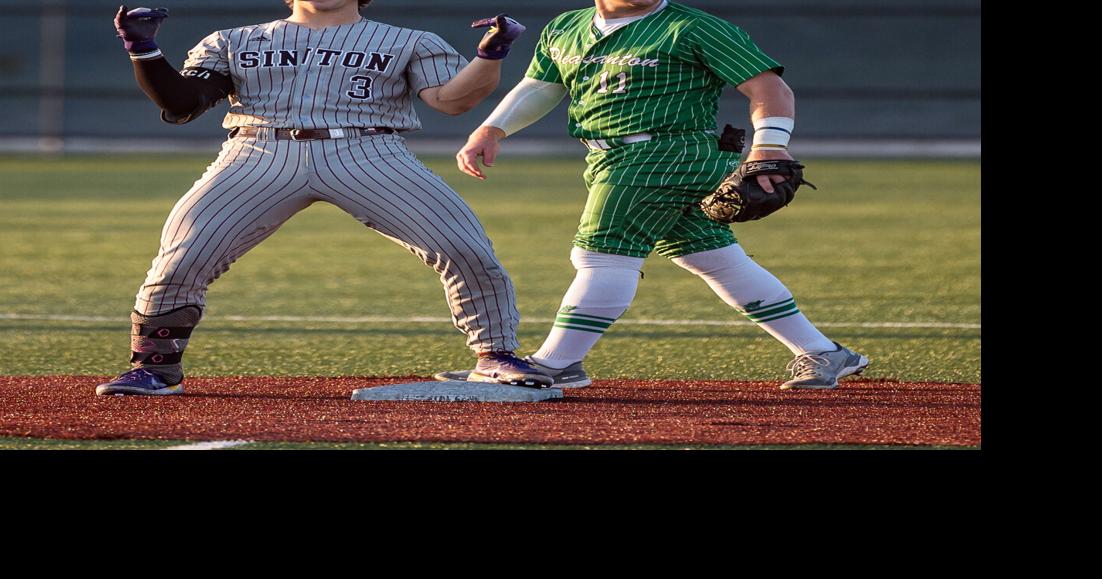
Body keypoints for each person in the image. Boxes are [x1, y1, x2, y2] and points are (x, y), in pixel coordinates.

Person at [96, 0, 554, 395]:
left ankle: (495, 355)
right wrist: (145, 51)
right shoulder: (234, 39)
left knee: (463, 247)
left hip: (368, 149)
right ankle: (154, 368)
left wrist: (490, 55)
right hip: (257, 150)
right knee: (182, 255)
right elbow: (183, 103)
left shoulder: (408, 40)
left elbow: (452, 101)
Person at [436, 0, 869, 390]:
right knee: (714, 259)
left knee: (602, 255)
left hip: (665, 151)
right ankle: (822, 351)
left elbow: (769, 88)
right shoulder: (566, 26)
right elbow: (542, 86)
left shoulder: (691, 26)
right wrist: (492, 128)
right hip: (613, 156)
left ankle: (555, 364)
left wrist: (769, 143)